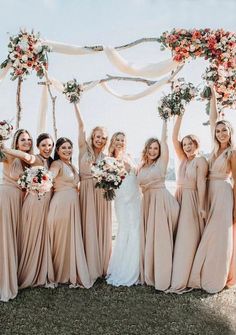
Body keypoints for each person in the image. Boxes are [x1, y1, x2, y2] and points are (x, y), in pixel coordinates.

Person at [188, 87, 236, 293]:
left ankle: (217, 277)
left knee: (221, 235)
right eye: (218, 130)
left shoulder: (233, 152)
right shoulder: (214, 149)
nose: (220, 133)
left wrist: (235, 209)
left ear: (230, 132)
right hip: (210, 193)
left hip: (224, 194)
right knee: (209, 232)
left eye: (224, 130)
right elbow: (214, 116)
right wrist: (215, 94)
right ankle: (204, 271)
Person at [137, 120, 179, 291]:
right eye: (150, 148)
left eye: (156, 148)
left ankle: (162, 276)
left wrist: (164, 120)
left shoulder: (161, 163)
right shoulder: (140, 167)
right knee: (149, 238)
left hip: (161, 202)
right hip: (147, 203)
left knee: (161, 239)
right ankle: (150, 272)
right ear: (146, 150)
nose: (153, 151)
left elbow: (165, 139)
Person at [169, 113, 208, 293]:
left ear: (196, 144)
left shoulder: (200, 160)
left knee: (188, 237)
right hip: (180, 196)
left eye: (189, 144)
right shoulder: (184, 159)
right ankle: (174, 269)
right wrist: (180, 114)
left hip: (192, 200)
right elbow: (173, 138)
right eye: (184, 145)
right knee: (178, 234)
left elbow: (201, 184)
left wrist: (201, 206)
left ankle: (184, 275)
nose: (186, 147)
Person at [74, 103, 112, 278]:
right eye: (98, 136)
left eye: (103, 138)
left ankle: (102, 265)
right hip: (86, 192)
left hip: (102, 195)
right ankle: (88, 264)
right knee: (87, 225)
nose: (100, 140)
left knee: (100, 227)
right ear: (93, 136)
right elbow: (81, 126)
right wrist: (75, 102)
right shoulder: (84, 149)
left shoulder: (106, 157)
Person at [47, 137, 91, 288]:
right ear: (57, 151)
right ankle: (57, 272)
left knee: (69, 238)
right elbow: (51, 174)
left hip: (73, 204)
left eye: (69, 147)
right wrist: (46, 177)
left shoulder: (72, 165)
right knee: (60, 239)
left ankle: (67, 270)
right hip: (61, 204)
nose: (67, 150)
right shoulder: (56, 164)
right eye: (63, 148)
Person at [17, 133, 54, 288]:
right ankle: (28, 273)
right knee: (32, 237)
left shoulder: (52, 162)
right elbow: (25, 156)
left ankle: (42, 272)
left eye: (50, 145)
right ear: (38, 146)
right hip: (35, 202)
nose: (47, 148)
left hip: (47, 204)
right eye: (44, 145)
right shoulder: (35, 159)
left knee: (43, 237)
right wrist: (4, 148)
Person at [0, 129, 33, 301]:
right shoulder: (9, 157)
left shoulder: (28, 160)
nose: (27, 142)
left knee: (15, 238)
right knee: (5, 238)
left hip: (20, 202)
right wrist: (3, 145)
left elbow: (29, 158)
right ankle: (4, 282)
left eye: (29, 139)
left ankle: (14, 275)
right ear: (16, 142)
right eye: (23, 139)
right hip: (6, 197)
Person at [106, 132, 141, 286]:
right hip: (123, 200)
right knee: (126, 229)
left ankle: (137, 266)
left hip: (135, 198)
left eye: (122, 140)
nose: (120, 142)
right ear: (112, 141)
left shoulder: (129, 156)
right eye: (117, 140)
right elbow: (109, 184)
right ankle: (125, 269)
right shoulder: (108, 160)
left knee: (136, 229)